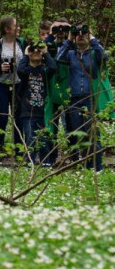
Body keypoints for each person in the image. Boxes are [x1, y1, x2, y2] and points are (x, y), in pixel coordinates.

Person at [56, 23, 107, 171]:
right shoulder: (71, 54)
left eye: (84, 33)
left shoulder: (94, 53)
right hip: (74, 98)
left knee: (92, 132)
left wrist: (92, 38)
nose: (80, 36)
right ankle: (86, 165)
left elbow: (104, 57)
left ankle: (97, 166)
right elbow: (58, 58)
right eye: (77, 34)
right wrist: (69, 39)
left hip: (91, 97)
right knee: (81, 133)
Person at [17, 42, 57, 165]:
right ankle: (30, 163)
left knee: (44, 140)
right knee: (30, 139)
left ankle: (46, 163)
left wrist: (45, 52)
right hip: (28, 111)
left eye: (38, 51)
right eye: (33, 51)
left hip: (43, 112)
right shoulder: (26, 71)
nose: (35, 53)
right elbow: (20, 70)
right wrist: (25, 54)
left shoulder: (44, 70)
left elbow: (53, 67)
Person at [0, 16, 25, 152]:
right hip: (1, 85)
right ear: (7, 29)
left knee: (18, 117)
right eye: (16, 25)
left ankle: (18, 148)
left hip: (18, 85)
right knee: (3, 116)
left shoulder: (22, 43)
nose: (19, 28)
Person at [43, 17, 73, 165]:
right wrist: (50, 33)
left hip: (68, 90)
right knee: (51, 125)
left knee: (71, 125)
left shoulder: (72, 45)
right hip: (52, 90)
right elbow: (40, 47)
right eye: (57, 29)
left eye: (64, 29)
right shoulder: (49, 45)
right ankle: (51, 157)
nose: (60, 32)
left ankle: (73, 156)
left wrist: (72, 32)